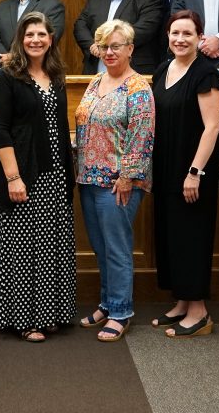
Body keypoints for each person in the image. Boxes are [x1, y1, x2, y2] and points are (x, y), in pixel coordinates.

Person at [0, 11, 76, 342]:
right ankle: (25, 319)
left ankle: (50, 312)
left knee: (52, 245)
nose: (35, 40)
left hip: (55, 175)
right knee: (24, 247)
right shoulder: (8, 76)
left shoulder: (55, 76)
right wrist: (13, 177)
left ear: (51, 39)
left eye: (41, 34)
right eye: (29, 35)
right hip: (24, 174)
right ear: (20, 40)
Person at [74, 20, 154, 343]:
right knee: (100, 246)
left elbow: (142, 137)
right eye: (104, 46)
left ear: (130, 49)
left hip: (118, 183)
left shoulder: (138, 89)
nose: (109, 52)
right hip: (89, 179)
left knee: (117, 248)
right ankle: (107, 303)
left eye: (116, 46)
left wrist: (127, 176)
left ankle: (121, 311)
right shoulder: (95, 83)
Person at [150, 10, 219, 339]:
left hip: (192, 171)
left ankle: (199, 312)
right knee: (171, 237)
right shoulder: (163, 69)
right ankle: (182, 301)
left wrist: (195, 171)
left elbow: (213, 127)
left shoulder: (206, 74)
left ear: (199, 38)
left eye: (188, 34)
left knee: (191, 238)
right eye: (175, 33)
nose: (180, 39)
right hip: (166, 168)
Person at [74, 0, 163, 74]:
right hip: (96, 69)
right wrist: (92, 46)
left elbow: (145, 29)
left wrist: (104, 44)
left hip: (132, 70)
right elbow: (80, 26)